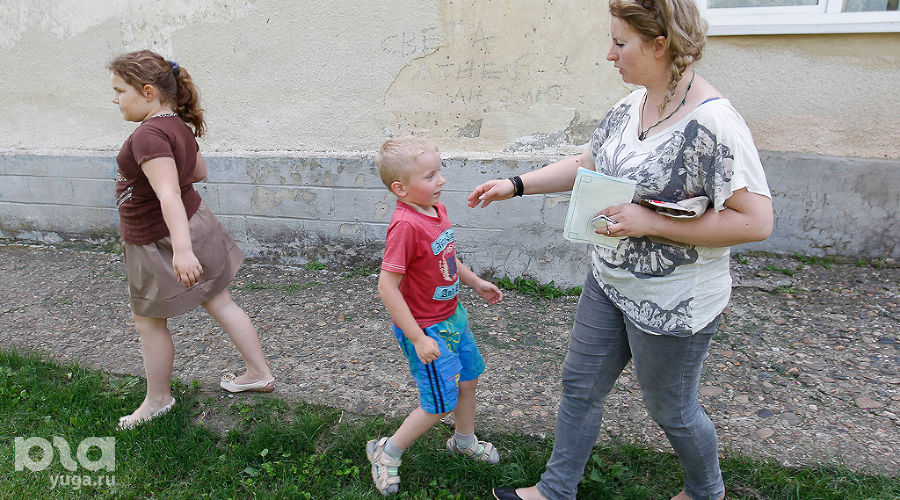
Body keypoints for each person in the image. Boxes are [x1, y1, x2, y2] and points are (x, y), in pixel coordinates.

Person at [471, 0, 773, 498]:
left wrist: (648, 220)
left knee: (671, 410)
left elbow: (757, 222)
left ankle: (706, 491)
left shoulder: (713, 124)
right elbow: (589, 162)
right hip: (609, 281)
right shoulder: (632, 104)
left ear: (660, 45)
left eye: (619, 42)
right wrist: (516, 183)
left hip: (674, 301)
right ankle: (555, 490)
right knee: (580, 386)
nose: (610, 54)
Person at [108, 50, 275, 430]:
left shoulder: (148, 134)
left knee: (149, 321)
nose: (114, 99)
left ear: (148, 91)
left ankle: (158, 400)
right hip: (196, 221)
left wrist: (181, 251)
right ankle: (258, 372)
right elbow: (197, 170)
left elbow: (168, 194)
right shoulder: (175, 124)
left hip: (161, 237)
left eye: (119, 91)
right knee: (219, 300)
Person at [367, 136, 504, 496]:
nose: (441, 180)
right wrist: (417, 337)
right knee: (440, 402)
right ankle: (387, 451)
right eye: (430, 176)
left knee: (469, 380)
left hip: (453, 316)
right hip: (427, 328)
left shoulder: (435, 211)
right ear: (401, 188)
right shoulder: (405, 226)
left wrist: (474, 282)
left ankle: (463, 440)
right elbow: (387, 287)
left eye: (438, 171)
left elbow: (446, 258)